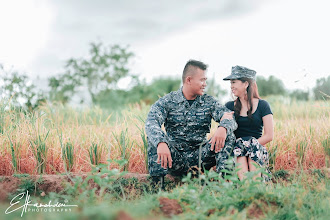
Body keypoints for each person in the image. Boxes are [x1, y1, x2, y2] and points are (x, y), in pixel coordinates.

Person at [145, 60, 237, 187]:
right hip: (175, 159)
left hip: (201, 158)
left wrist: (223, 128)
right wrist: (161, 142)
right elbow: (151, 122)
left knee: (228, 135)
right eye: (202, 80)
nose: (205, 84)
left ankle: (225, 185)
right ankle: (157, 188)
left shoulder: (208, 101)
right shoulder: (167, 101)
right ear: (189, 80)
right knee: (154, 140)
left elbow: (229, 116)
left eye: (206, 80)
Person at [222, 65, 274, 181]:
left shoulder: (263, 105)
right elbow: (223, 131)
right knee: (239, 151)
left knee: (249, 149)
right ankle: (246, 189)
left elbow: (269, 135)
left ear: (246, 84)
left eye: (234, 82)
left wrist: (249, 146)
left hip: (256, 149)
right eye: (231, 83)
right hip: (237, 151)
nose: (231, 86)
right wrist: (242, 147)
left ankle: (255, 188)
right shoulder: (229, 106)